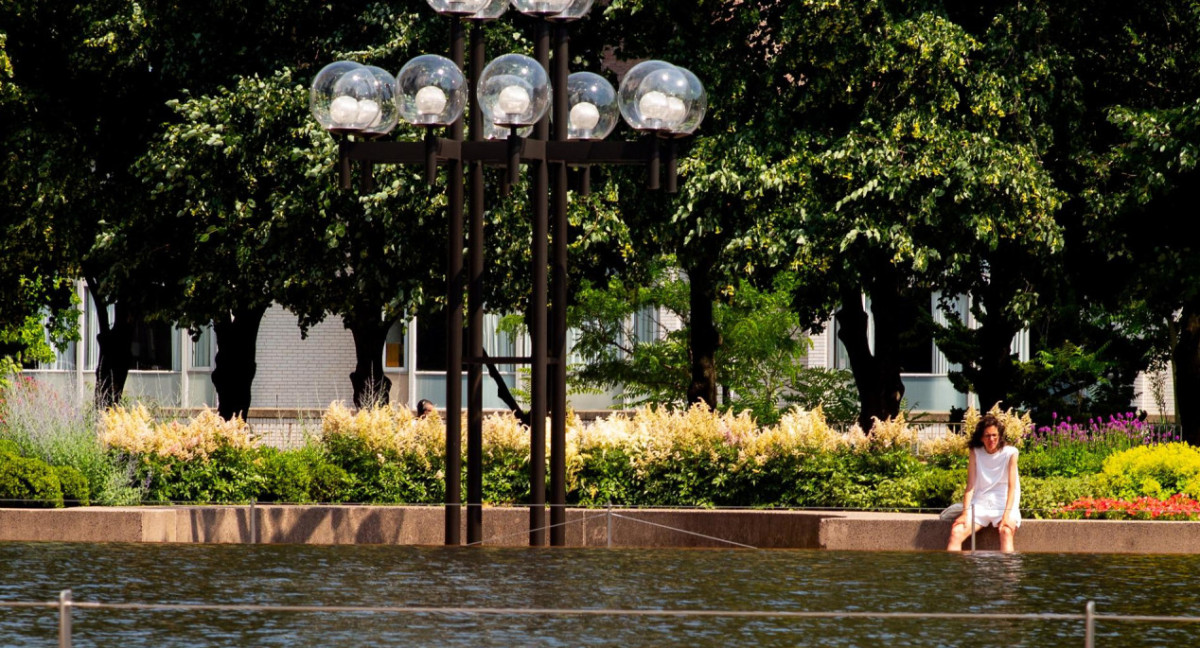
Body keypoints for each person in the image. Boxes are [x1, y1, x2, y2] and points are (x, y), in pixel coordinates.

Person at [947, 414, 1021, 552]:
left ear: (999, 436)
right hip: (980, 503)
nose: (991, 439)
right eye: (987, 436)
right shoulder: (975, 452)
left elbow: (1012, 488)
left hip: (1003, 502)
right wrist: (965, 513)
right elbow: (970, 486)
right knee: (956, 532)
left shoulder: (1011, 453)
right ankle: (955, 572)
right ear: (981, 437)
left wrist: (1006, 515)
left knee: (1006, 531)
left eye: (994, 435)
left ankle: (1008, 572)